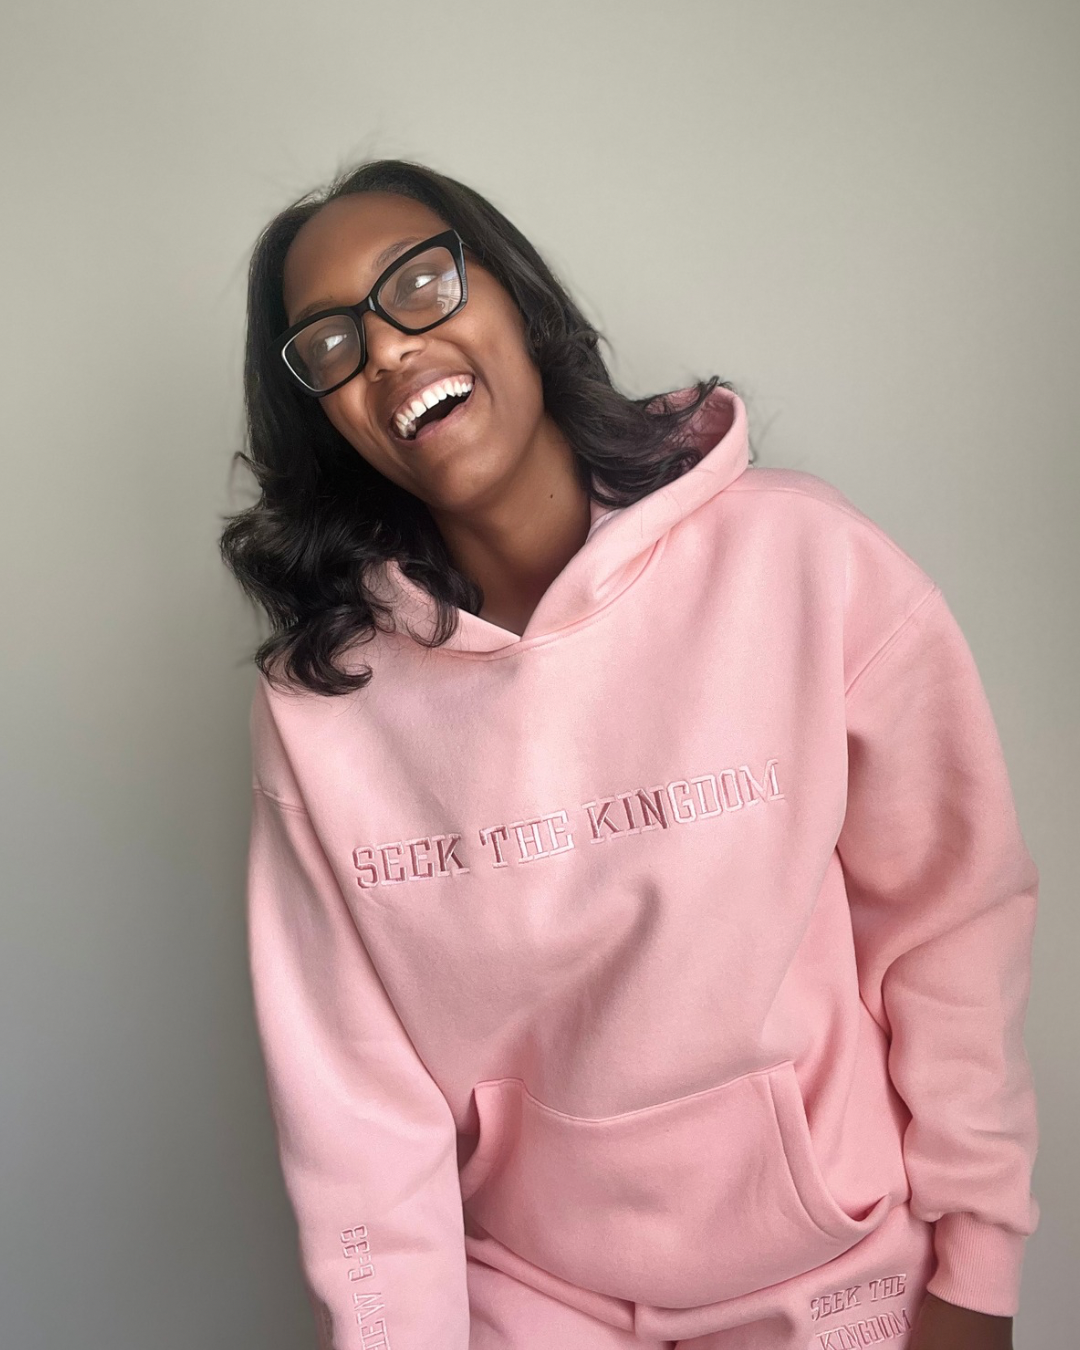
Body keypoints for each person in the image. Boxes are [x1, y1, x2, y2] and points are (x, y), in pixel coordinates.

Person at [219, 157, 1040, 1350]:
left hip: (840, 1279)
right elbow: (354, 1113)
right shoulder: (321, 709)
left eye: (420, 284)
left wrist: (978, 1267)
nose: (387, 347)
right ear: (324, 415)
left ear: (517, 300)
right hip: (527, 1302)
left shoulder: (802, 561)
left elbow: (950, 924)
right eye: (333, 343)